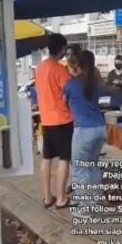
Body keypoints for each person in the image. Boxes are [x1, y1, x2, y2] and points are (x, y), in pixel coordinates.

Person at [64, 50, 108, 219]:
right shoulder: (96, 83)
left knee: (80, 169)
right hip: (100, 128)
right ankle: (95, 201)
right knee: (92, 165)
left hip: (83, 131)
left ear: (77, 65)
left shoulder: (71, 84)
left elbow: (65, 104)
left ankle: (83, 208)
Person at [34, 34, 73, 210]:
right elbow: (70, 93)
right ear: (62, 48)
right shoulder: (59, 69)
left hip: (46, 120)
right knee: (64, 159)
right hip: (62, 120)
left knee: (47, 158)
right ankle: (61, 199)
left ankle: (47, 197)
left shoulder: (40, 68)